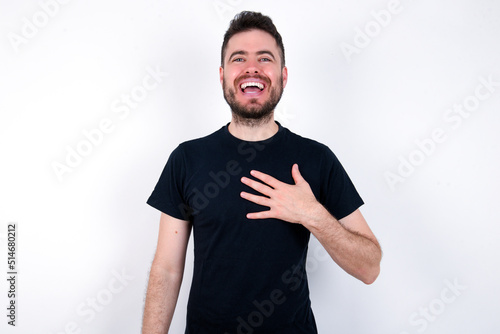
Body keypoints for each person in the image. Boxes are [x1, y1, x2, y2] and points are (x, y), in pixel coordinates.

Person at [142, 11, 381, 334]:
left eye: (264, 58)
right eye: (239, 58)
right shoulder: (187, 159)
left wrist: (312, 214)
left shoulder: (316, 159)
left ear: (283, 75)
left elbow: (369, 267)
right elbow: (167, 270)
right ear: (223, 74)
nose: (251, 67)